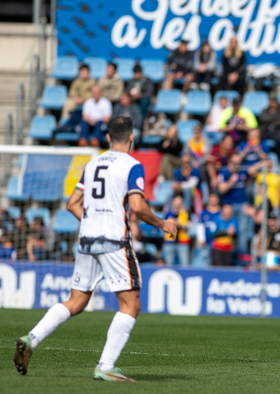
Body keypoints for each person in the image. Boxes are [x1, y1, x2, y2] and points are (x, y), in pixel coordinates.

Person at [13, 116, 177, 381]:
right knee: (131, 304)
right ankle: (105, 365)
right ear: (132, 137)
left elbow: (72, 203)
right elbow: (137, 206)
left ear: (109, 138)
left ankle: (31, 338)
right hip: (113, 241)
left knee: (76, 301)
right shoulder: (132, 165)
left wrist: (92, 222)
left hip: (87, 240)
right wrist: (162, 223)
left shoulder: (92, 164)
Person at [217, 154, 262, 255]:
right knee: (229, 230)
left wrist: (264, 163)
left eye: (239, 163)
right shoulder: (224, 172)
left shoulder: (242, 171)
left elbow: (252, 170)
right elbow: (221, 189)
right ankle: (229, 254)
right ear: (230, 162)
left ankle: (242, 255)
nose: (237, 165)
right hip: (229, 206)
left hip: (242, 205)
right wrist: (231, 182)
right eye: (235, 163)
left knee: (243, 231)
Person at [163, 194, 192, 267]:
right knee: (169, 263)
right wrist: (177, 222)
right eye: (176, 201)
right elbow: (166, 224)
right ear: (173, 202)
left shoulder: (185, 212)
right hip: (169, 241)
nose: (178, 203)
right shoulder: (168, 213)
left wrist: (174, 222)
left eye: (180, 201)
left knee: (184, 264)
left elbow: (183, 224)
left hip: (182, 241)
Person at [257, 93, 280, 158]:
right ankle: (260, 156)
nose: (273, 103)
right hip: (266, 130)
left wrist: (268, 120)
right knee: (257, 138)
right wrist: (274, 118)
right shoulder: (265, 110)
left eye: (274, 101)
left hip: (278, 130)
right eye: (272, 101)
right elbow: (262, 118)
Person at [197, 193, 221, 267]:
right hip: (206, 243)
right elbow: (200, 226)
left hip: (218, 244)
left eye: (215, 199)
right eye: (211, 199)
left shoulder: (221, 212)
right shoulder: (204, 213)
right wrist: (201, 239)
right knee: (207, 263)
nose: (213, 201)